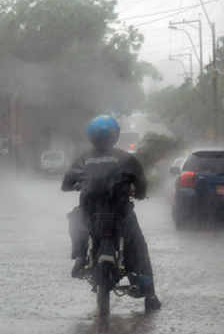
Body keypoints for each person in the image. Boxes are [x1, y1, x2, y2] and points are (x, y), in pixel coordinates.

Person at [61, 115, 161, 311]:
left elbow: (66, 183)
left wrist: (71, 186)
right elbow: (142, 184)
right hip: (120, 213)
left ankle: (81, 256)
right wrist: (139, 193)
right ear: (115, 136)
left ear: (92, 137)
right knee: (139, 248)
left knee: (75, 219)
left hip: (91, 213)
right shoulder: (125, 158)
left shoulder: (84, 159)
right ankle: (150, 296)